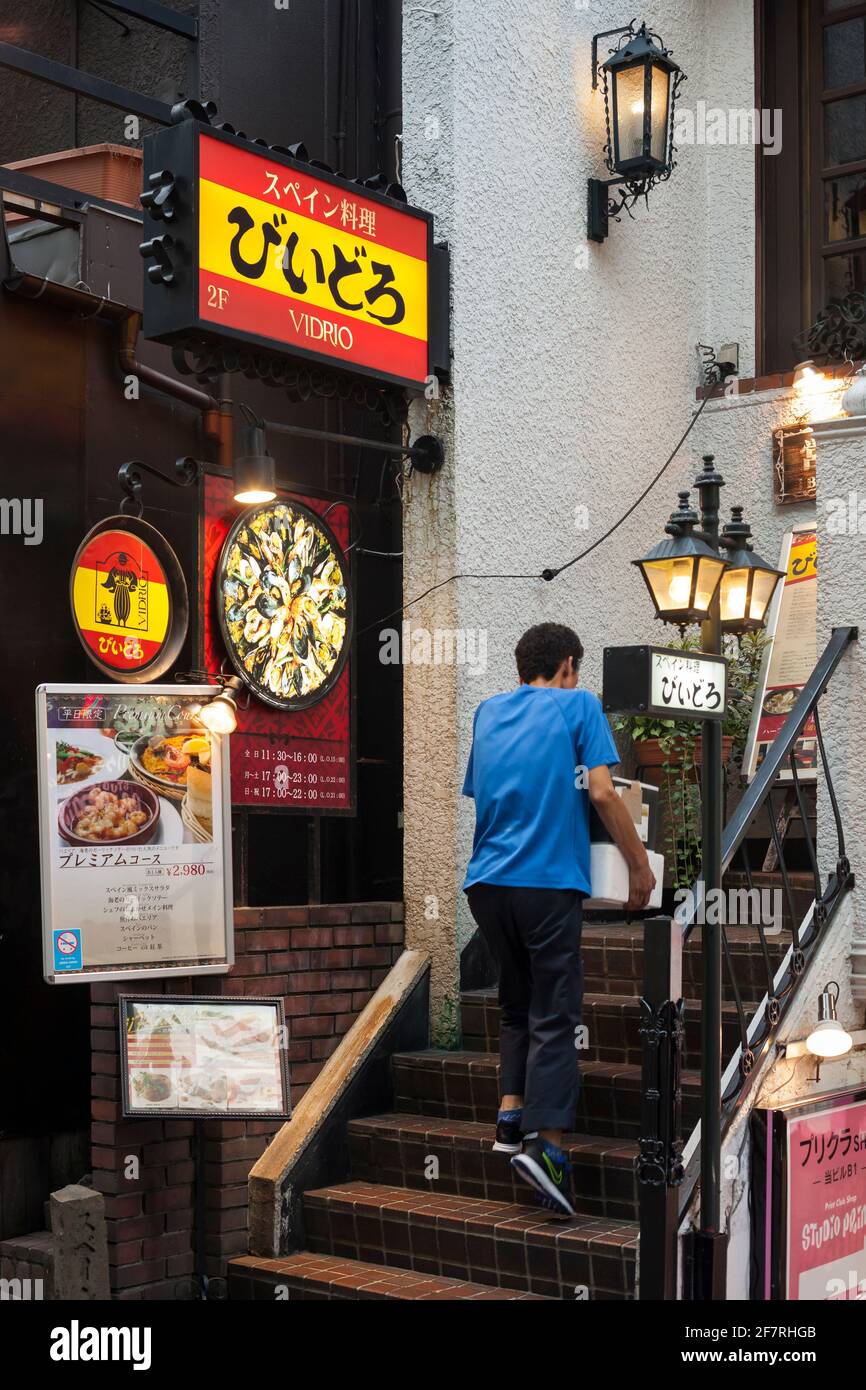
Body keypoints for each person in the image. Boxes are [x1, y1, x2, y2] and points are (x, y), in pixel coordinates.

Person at [462, 622, 655, 1217]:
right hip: (546, 886)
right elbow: (601, 792)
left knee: (516, 1001)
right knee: (556, 1013)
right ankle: (548, 1151)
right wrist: (640, 867)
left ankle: (510, 1113)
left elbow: (493, 792)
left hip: (485, 887)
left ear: (523, 668)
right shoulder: (580, 705)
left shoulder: (488, 712)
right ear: (569, 664)